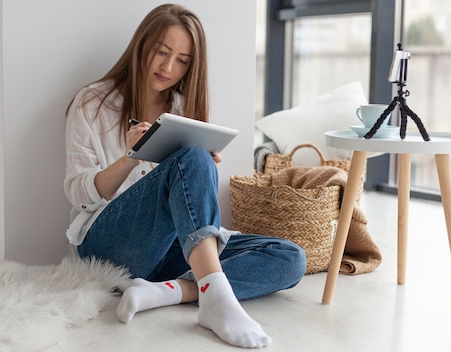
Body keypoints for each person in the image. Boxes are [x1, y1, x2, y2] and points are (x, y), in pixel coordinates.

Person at [63, 3, 306, 349]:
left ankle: (168, 292)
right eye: (161, 53)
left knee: (290, 258)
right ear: (141, 47)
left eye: (182, 60)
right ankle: (215, 296)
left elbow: (191, 203)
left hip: (172, 249)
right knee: (191, 156)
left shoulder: (180, 110)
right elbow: (78, 194)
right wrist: (133, 157)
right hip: (108, 244)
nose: (168, 67)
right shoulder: (93, 103)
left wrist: (200, 169)